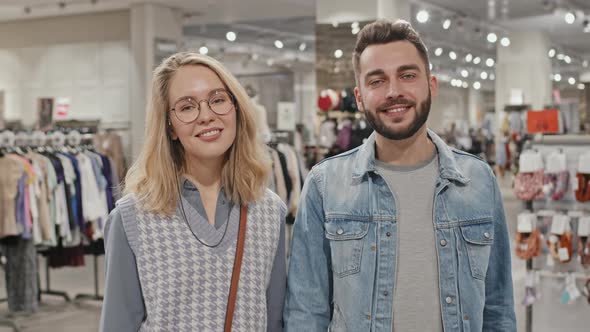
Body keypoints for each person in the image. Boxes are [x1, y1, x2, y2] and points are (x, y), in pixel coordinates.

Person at [284, 19, 516, 332]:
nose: (394, 92)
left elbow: (498, 309)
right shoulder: (325, 185)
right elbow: (305, 313)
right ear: (360, 96)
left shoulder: (478, 180)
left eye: (407, 75)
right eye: (377, 81)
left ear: (431, 86)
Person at [99, 52, 287, 331]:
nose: (206, 116)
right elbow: (118, 323)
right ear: (170, 127)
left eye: (218, 100)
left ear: (236, 108)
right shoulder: (132, 218)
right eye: (187, 107)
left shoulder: (269, 211)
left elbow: (273, 320)